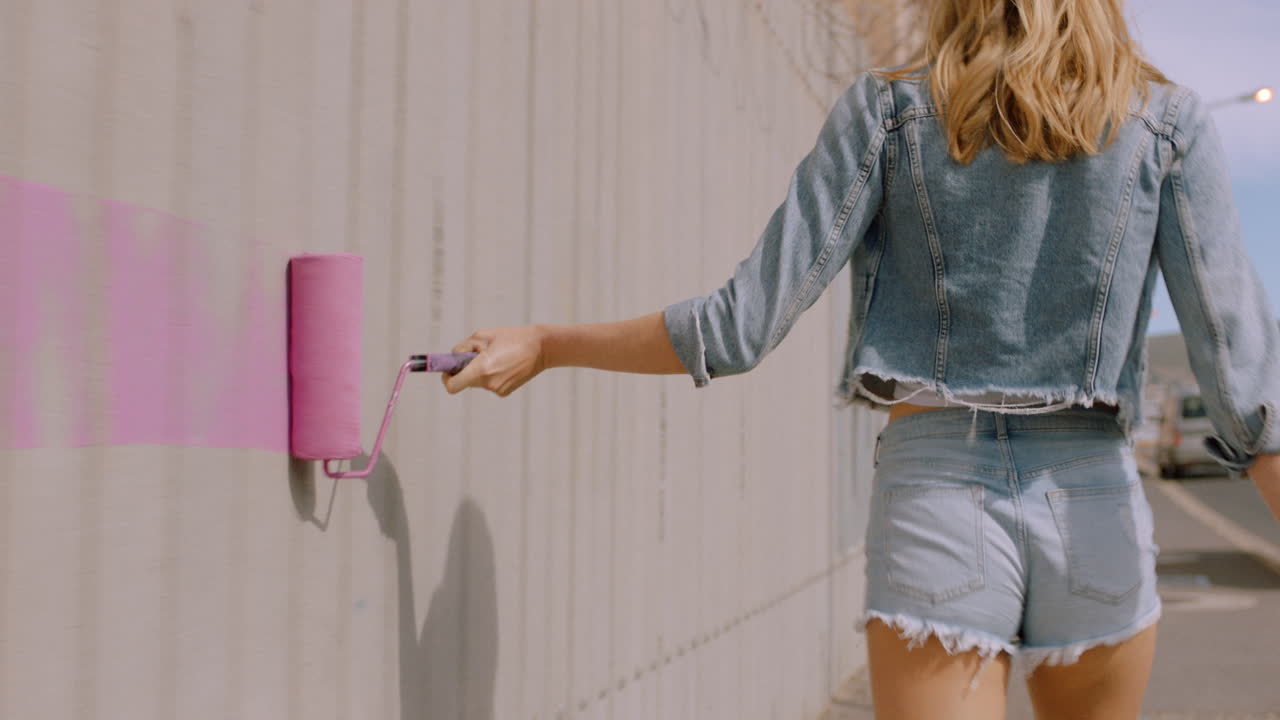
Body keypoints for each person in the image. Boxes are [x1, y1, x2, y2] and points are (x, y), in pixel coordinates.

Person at [441, 0, 1280, 716]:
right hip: (1092, 499)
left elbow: (736, 327)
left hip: (939, 493)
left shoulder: (889, 113)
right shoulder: (1170, 126)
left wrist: (548, 345)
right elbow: (1244, 381)